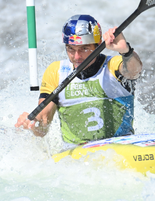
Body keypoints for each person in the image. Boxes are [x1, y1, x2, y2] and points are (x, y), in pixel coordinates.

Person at [15, 14, 143, 149]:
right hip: (77, 157)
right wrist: (33, 124)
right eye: (71, 49)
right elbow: (43, 126)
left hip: (121, 147)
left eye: (84, 48)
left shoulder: (112, 65)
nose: (77, 56)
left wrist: (126, 52)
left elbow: (134, 71)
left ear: (98, 45)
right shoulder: (56, 72)